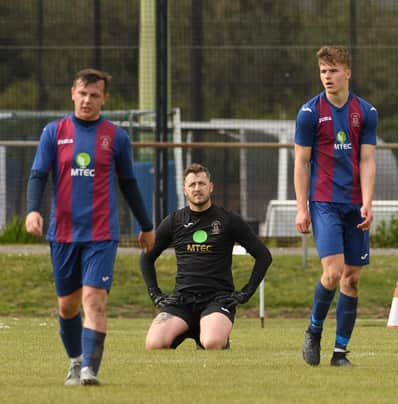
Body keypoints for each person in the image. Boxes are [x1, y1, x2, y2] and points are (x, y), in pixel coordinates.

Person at [25, 68, 156, 386]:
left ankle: (89, 371)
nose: (87, 100)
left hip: (101, 234)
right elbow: (39, 175)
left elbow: (129, 183)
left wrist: (146, 224)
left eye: (94, 95)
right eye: (82, 94)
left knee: (94, 300)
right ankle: (76, 360)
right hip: (64, 233)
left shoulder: (116, 137)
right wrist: (32, 211)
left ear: (104, 99)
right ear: (73, 93)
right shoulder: (54, 132)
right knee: (67, 306)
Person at [294, 46, 378, 367]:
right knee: (333, 272)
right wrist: (302, 207)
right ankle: (314, 330)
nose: (327, 77)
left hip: (354, 204)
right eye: (323, 72)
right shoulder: (309, 114)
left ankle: (340, 352)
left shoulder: (366, 112)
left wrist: (368, 202)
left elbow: (368, 159)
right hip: (324, 202)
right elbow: (301, 163)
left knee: (352, 279)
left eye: (333, 71)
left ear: (347, 73)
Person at [140, 163, 272, 350]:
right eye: (192, 185)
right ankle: (188, 328)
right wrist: (156, 295)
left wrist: (244, 294)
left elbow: (263, 256)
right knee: (154, 344)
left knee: (212, 342)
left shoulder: (228, 220)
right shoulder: (174, 221)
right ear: (184, 190)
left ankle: (213, 334)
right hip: (182, 301)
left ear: (211, 187)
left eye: (201, 183)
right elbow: (146, 257)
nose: (197, 189)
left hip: (217, 300)